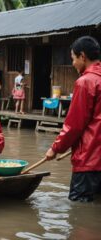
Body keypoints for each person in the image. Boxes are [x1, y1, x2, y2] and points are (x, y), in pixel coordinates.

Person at [45, 36, 101, 202]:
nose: (73, 64)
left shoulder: (85, 82)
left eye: (73, 58)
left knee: (79, 208)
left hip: (89, 158)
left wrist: (55, 148)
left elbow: (74, 125)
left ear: (82, 56)